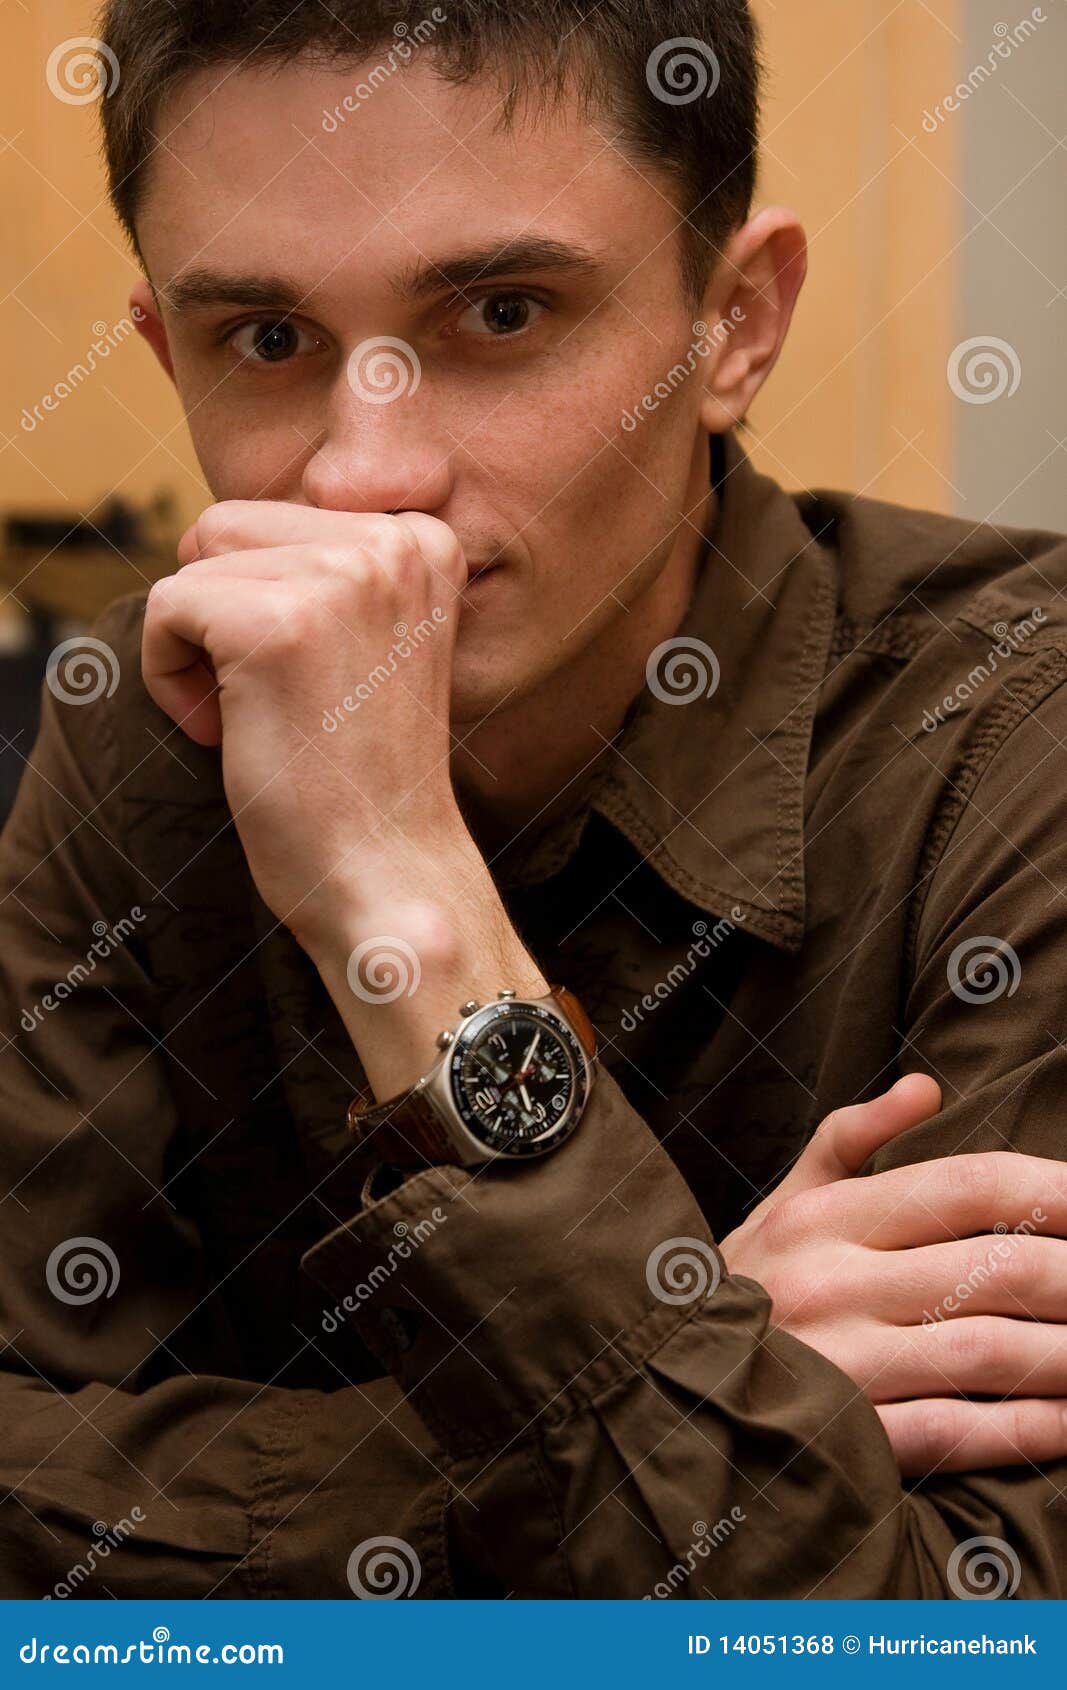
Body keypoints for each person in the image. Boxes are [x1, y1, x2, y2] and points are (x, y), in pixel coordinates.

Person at [2, 0, 1066, 1599]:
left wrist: (399, 895)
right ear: (168, 350)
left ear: (737, 328)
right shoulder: (140, 723)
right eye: (268, 342)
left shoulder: (1017, 733)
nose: (365, 477)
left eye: (501, 312)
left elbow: (953, 1620)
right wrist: (695, 1360)